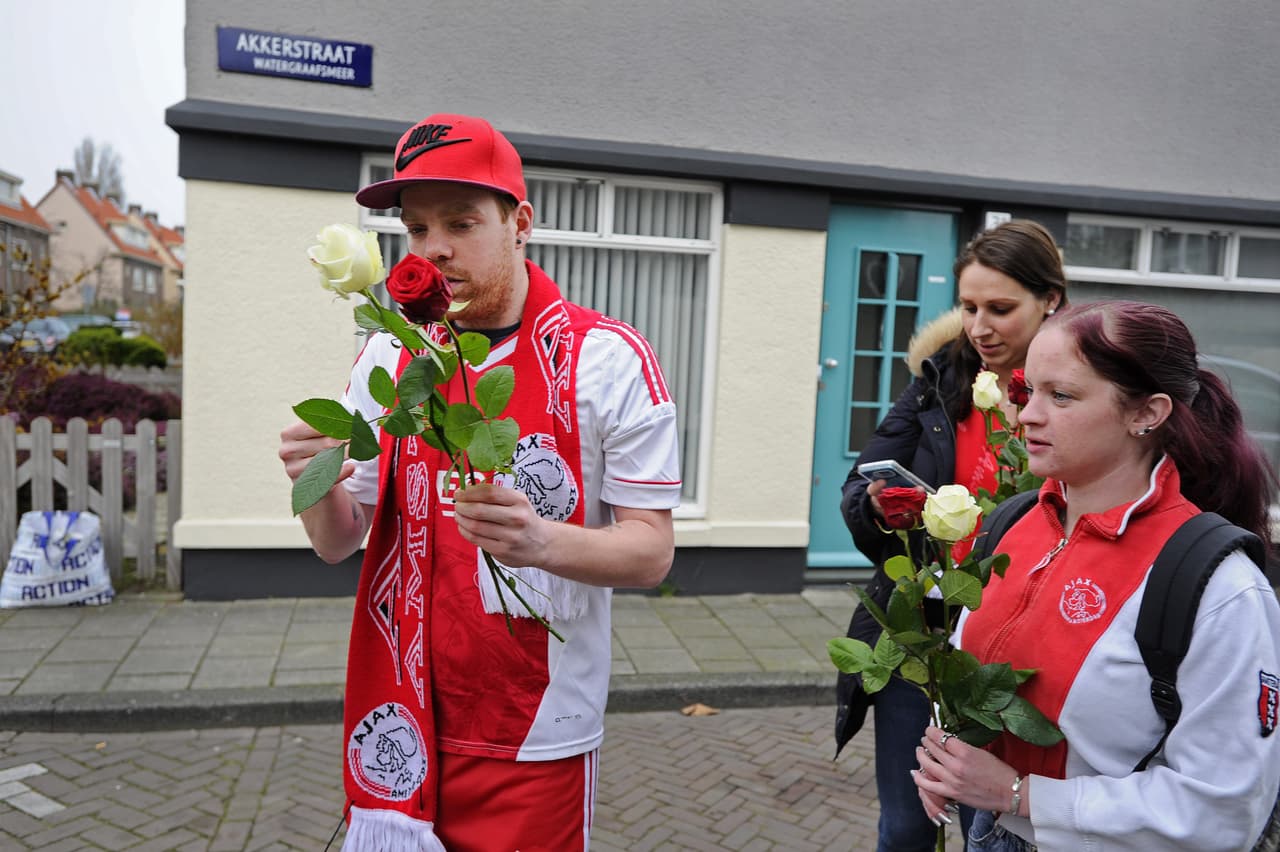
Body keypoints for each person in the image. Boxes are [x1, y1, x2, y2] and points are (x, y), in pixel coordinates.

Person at [278, 113, 681, 851]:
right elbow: (340, 542)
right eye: (418, 228)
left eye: (461, 223)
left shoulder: (609, 358)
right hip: (402, 724)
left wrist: (540, 540)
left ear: (520, 221)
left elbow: (651, 553)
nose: (435, 249)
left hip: (535, 737)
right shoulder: (387, 357)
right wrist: (317, 479)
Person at [913, 301, 1280, 850]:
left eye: (1061, 396)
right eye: (1026, 391)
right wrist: (956, 755)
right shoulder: (1013, 523)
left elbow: (1224, 809)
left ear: (1146, 414)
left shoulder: (1221, 588)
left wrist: (1020, 794)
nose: (1027, 417)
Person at [836, 220, 1067, 852]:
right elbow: (859, 487)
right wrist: (885, 508)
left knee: (996, 829)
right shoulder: (938, 380)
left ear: (1050, 300)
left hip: (1026, 647)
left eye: (1000, 309)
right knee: (909, 825)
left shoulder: (1084, 392)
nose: (980, 327)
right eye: (968, 308)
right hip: (928, 632)